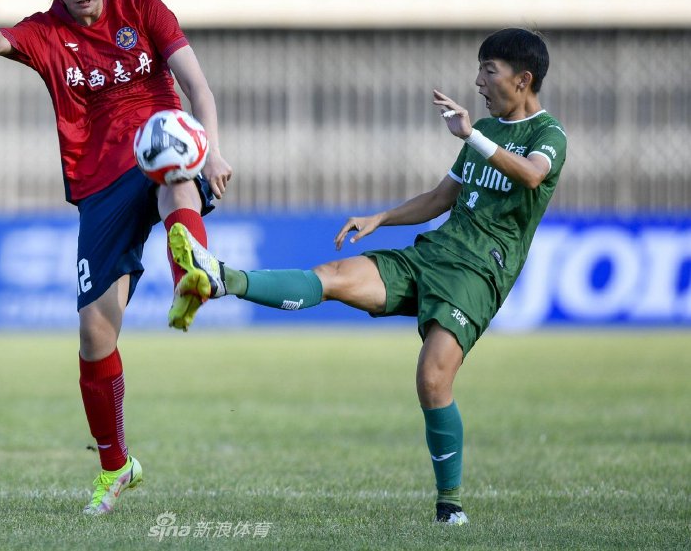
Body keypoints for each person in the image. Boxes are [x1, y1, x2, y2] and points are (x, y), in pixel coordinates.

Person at [169, 28, 565, 525]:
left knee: (432, 381)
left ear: (523, 79)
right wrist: (381, 218)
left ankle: (451, 505)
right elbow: (441, 198)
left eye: (490, 71)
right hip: (435, 254)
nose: (479, 81)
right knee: (333, 275)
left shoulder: (546, 136)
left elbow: (531, 175)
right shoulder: (484, 133)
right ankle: (223, 279)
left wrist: (473, 136)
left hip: (480, 273)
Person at [0, 0, 232, 515]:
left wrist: (215, 148)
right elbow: (2, 43)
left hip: (158, 147)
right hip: (98, 185)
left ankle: (191, 276)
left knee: (173, 170)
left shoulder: (146, 13)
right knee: (94, 334)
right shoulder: (47, 32)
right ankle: (116, 466)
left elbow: (196, 85)